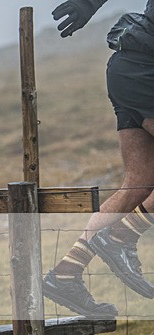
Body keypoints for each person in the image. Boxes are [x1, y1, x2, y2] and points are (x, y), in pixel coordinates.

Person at [43, 0, 154, 317]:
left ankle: (65, 275)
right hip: (146, 69)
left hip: (127, 66)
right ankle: (121, 237)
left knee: (139, 183)